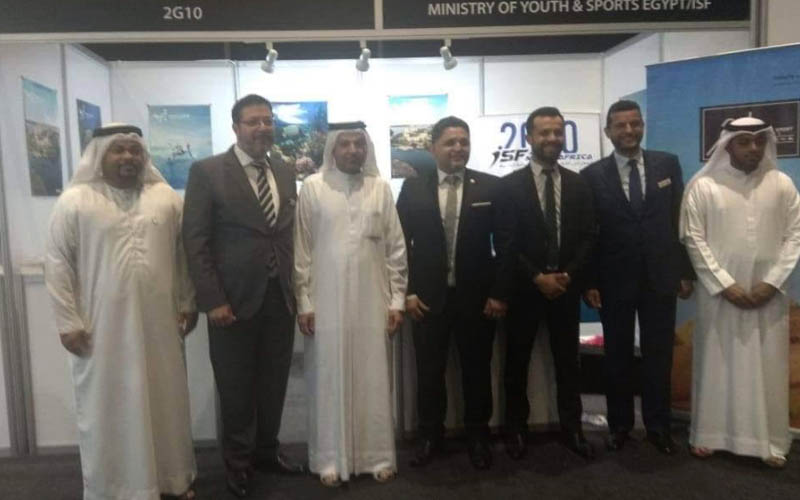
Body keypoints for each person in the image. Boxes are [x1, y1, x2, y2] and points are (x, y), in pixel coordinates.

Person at [45, 124, 198, 500]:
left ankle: (171, 480)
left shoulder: (166, 198)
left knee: (166, 401)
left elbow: (183, 257)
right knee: (109, 406)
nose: (128, 157)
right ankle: (115, 488)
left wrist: (187, 302)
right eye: (119, 150)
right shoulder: (75, 201)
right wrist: (67, 321)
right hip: (101, 329)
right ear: (100, 155)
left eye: (134, 150)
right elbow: (58, 263)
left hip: (160, 326)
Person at [182, 94, 303, 498]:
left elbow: (283, 233)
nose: (262, 128)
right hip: (231, 302)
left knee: (273, 383)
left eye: (268, 121)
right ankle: (237, 465)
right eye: (253, 121)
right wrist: (212, 299)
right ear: (236, 127)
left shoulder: (283, 171)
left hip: (279, 297)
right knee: (235, 388)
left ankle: (267, 452)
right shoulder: (207, 172)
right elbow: (195, 241)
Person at [680, 116, 800, 468]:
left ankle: (771, 441)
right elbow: (693, 239)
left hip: (769, 297)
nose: (753, 148)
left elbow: (795, 236)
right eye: (744, 141)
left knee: (768, 365)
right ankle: (710, 435)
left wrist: (772, 282)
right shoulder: (703, 186)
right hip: (719, 297)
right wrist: (724, 284)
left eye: (759, 141)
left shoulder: (781, 184)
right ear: (727, 145)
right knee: (717, 363)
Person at [294, 122, 407, 487]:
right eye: (345, 144)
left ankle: (377, 457)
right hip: (326, 302)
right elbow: (302, 250)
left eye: (359, 144)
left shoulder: (380, 188)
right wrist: (304, 302)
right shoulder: (313, 188)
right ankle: (329, 459)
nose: (353, 150)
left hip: (373, 301)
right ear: (332, 149)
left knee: (373, 377)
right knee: (328, 378)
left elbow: (396, 248)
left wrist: (397, 301)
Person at [581, 100, 694, 455]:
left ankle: (659, 427)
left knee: (659, 355)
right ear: (608, 131)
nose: (629, 131)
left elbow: (679, 220)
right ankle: (620, 426)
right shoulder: (592, 176)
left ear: (642, 125)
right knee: (617, 356)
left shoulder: (667, 164)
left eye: (635, 124)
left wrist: (684, 271)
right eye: (621, 125)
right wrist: (590, 281)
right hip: (613, 279)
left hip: (660, 276)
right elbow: (589, 233)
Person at [396, 116, 506, 470]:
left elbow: (507, 245)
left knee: (477, 372)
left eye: (464, 142)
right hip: (427, 300)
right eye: (450, 142)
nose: (458, 148)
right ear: (433, 148)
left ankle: (478, 437)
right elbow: (399, 245)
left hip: (478, 300)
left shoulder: (490, 187)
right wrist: (407, 292)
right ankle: (430, 436)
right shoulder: (413, 188)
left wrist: (499, 293)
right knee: (429, 374)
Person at [494, 107, 596, 460]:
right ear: (529, 137)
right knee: (516, 364)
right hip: (525, 290)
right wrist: (537, 277)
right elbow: (506, 242)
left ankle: (573, 429)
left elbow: (589, 236)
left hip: (565, 289)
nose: (552, 138)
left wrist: (568, 274)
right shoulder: (509, 186)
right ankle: (515, 430)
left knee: (569, 365)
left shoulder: (579, 184)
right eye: (544, 133)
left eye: (558, 132)